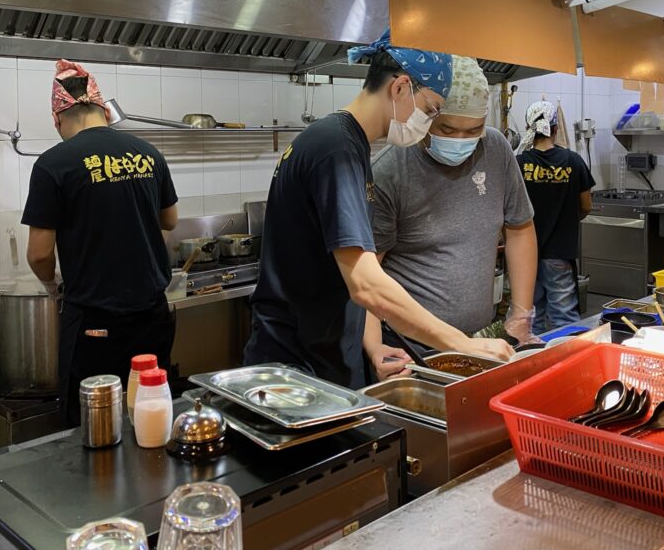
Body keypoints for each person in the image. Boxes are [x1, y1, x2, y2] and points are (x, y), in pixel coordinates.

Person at [243, 32, 513, 388]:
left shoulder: (345, 144)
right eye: (430, 109)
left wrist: (371, 347)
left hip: (319, 357)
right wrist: (462, 345)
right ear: (400, 87)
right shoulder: (335, 150)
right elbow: (366, 284)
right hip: (298, 369)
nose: (428, 122)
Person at [22, 60, 179, 425]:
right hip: (153, 316)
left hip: (95, 322)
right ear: (104, 110)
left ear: (57, 117)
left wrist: (52, 286)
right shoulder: (148, 153)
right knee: (149, 410)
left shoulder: (54, 164)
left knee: (94, 423)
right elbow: (169, 220)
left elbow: (39, 253)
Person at [365, 56, 539, 380]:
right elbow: (365, 275)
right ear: (428, 113)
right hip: (412, 349)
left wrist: (521, 313)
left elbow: (519, 228)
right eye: (447, 128)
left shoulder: (496, 150)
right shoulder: (391, 170)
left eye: (472, 130)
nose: (460, 140)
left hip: (481, 340)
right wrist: (375, 348)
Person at [516, 100, 594, 332]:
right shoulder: (573, 161)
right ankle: (566, 364)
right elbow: (586, 206)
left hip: (524, 254)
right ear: (556, 129)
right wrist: (566, 219)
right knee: (564, 319)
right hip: (560, 253)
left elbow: (507, 210)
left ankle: (535, 364)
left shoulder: (519, 163)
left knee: (531, 320)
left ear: (529, 127)